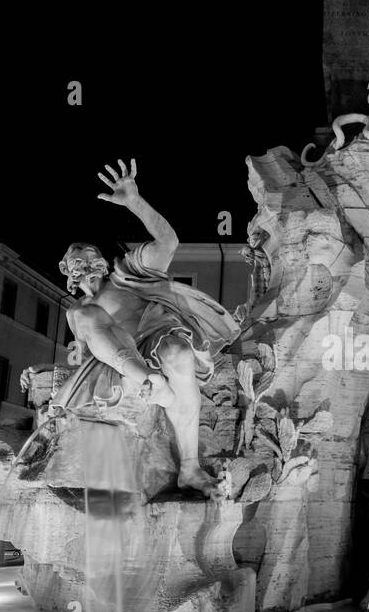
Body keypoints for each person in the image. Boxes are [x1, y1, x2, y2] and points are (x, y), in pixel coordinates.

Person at [49, 159, 239, 497]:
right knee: (85, 316)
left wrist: (134, 201)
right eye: (79, 261)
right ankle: (150, 381)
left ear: (103, 262)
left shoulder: (127, 275)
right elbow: (80, 355)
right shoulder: (75, 311)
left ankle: (190, 467)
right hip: (120, 364)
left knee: (179, 352)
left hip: (156, 337)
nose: (89, 265)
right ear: (67, 269)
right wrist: (38, 371)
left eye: (93, 258)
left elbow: (168, 242)